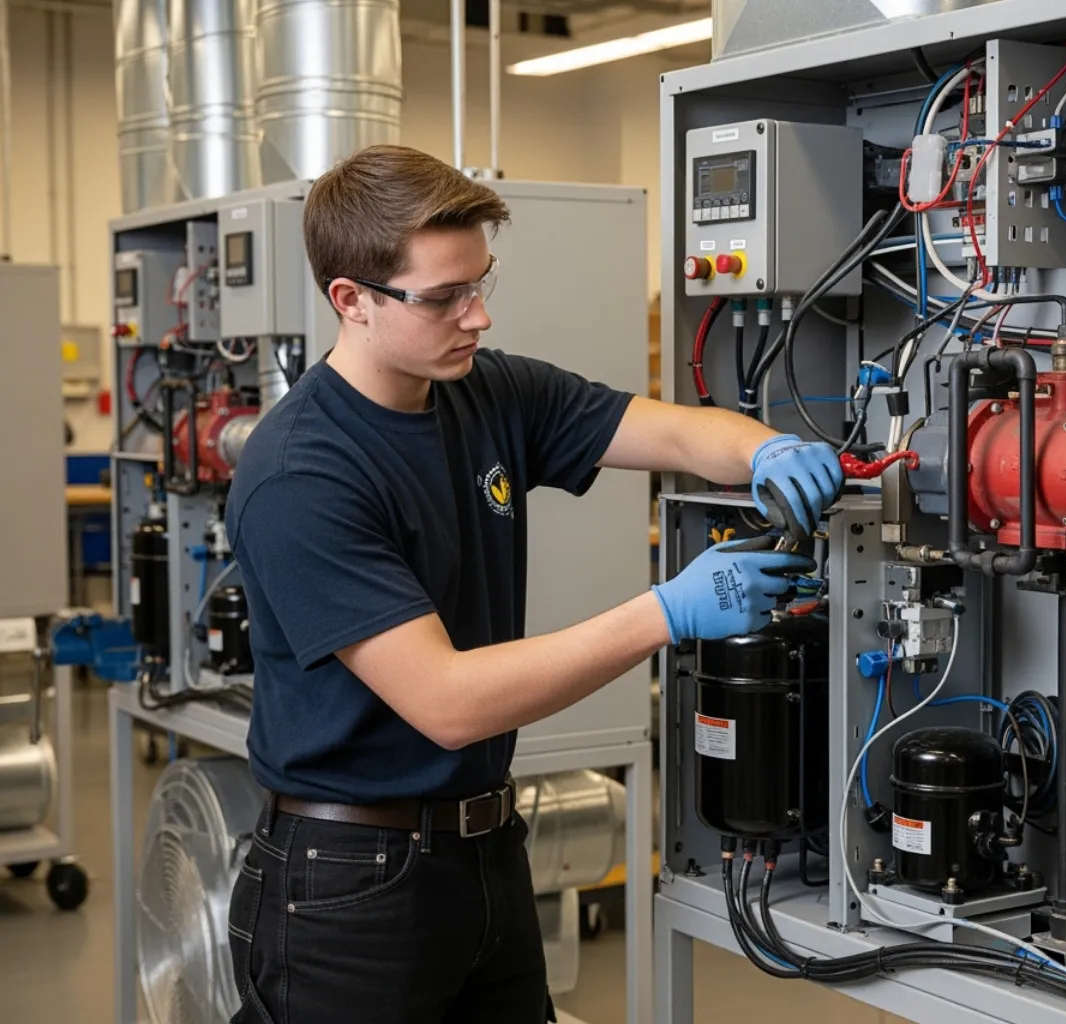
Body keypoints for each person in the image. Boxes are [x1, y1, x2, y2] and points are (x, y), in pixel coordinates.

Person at [222, 144, 843, 1024]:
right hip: (348, 883)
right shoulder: (301, 473)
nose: (475, 316)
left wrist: (764, 449)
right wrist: (667, 610)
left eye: (482, 283)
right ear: (351, 300)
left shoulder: (489, 391)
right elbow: (447, 701)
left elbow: (669, 435)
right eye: (442, 297)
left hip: (485, 853)